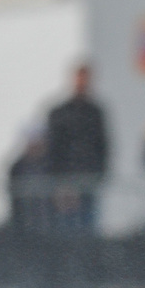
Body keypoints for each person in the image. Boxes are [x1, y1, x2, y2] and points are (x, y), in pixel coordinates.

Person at [44, 63, 108, 233]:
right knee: (66, 230)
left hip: (89, 180)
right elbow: (53, 149)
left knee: (87, 229)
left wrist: (99, 175)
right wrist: (59, 182)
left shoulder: (95, 112)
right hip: (66, 181)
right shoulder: (60, 113)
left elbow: (103, 146)